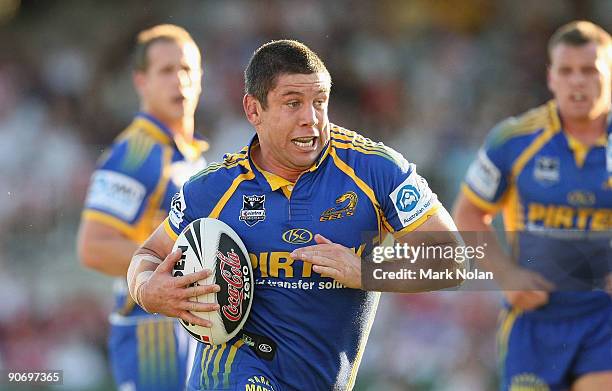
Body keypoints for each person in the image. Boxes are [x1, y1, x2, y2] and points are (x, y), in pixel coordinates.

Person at [125, 39, 465, 391]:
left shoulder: (376, 171)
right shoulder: (212, 189)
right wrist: (147, 290)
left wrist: (366, 271)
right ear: (253, 110)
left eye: (320, 103)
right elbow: (148, 254)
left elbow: (454, 260)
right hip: (232, 369)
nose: (311, 119)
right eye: (293, 104)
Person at [453, 20, 612, 391]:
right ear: (551, 77)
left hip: (604, 317)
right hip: (535, 319)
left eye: (589, 70)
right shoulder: (513, 139)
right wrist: (506, 275)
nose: (577, 81)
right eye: (566, 71)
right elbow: (469, 213)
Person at [77, 24, 208, 391]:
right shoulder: (136, 154)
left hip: (186, 323)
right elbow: (94, 247)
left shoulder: (190, 157)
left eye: (187, 70)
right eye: (166, 71)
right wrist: (183, 271)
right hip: (152, 332)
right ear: (141, 81)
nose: (179, 80)